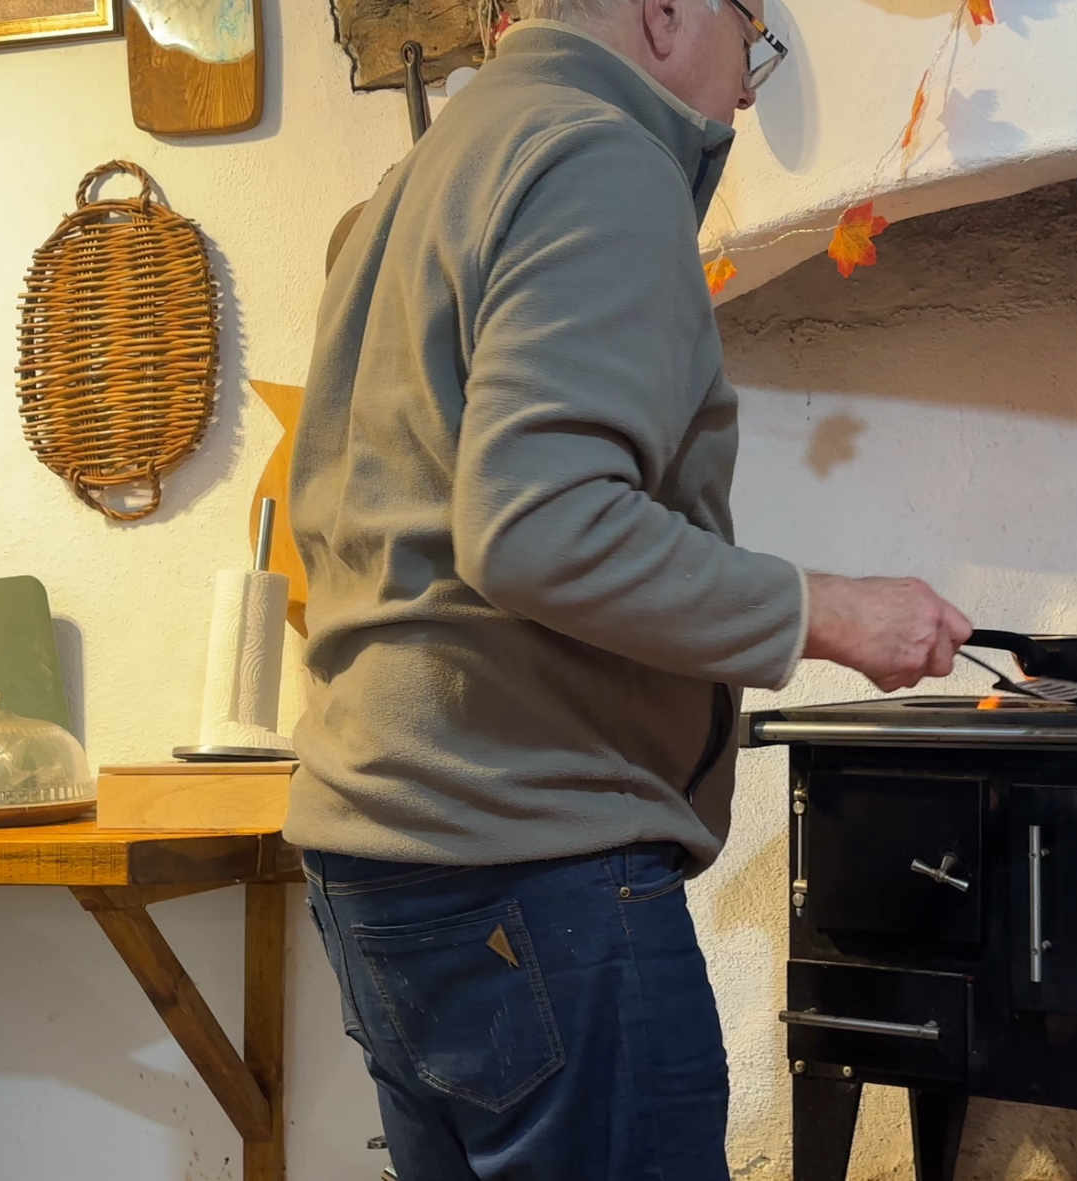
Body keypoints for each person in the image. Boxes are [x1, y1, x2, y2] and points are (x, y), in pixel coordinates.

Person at [284, 1, 971, 1176]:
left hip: (381, 856)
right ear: (666, 14)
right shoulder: (600, 153)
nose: (749, 94)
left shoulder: (429, 170)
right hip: (530, 867)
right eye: (751, 41)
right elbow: (539, 525)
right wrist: (832, 611)